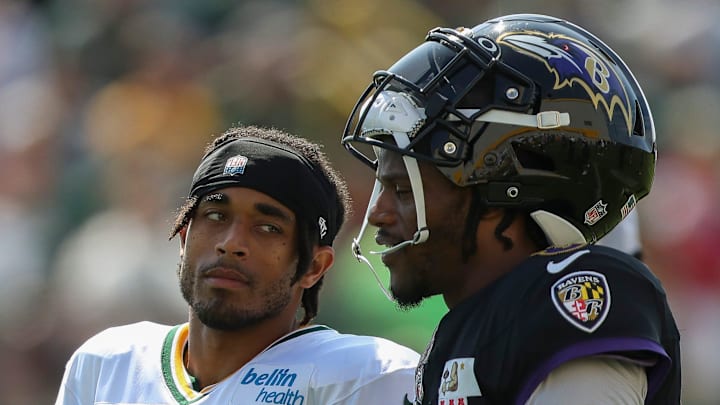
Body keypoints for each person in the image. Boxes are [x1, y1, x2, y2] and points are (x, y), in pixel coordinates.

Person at [341, 13, 680, 405]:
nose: (377, 215)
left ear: (497, 186)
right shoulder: (454, 340)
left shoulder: (566, 293)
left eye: (402, 189)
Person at [55, 125, 421, 404]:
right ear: (184, 238)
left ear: (314, 266)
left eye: (267, 227)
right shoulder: (107, 364)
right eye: (215, 216)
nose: (231, 244)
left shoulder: (368, 378)